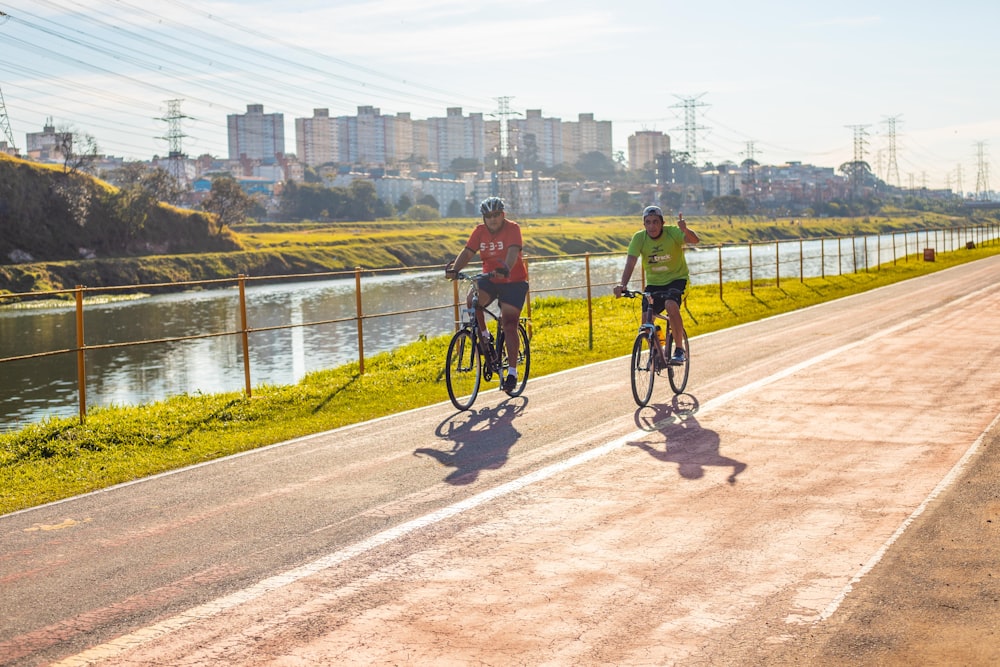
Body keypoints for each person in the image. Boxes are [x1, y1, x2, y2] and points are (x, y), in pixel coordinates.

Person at [445, 196, 529, 394]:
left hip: (513, 280)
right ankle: (484, 336)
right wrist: (454, 270)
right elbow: (467, 252)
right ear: (484, 218)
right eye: (488, 216)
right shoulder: (479, 232)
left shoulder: (513, 228)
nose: (493, 219)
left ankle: (512, 373)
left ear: (503, 215)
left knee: (509, 323)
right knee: (471, 301)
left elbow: (512, 251)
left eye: (496, 215)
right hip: (489, 278)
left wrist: (506, 268)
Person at [613, 205, 700, 364]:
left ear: (662, 223)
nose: (652, 226)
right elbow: (631, 262)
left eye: (655, 222)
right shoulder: (639, 238)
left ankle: (679, 349)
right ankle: (657, 349)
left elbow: (694, 240)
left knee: (670, 304)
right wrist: (622, 285)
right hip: (654, 284)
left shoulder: (672, 232)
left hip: (677, 279)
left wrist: (685, 230)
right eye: (648, 222)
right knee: (646, 321)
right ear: (644, 224)